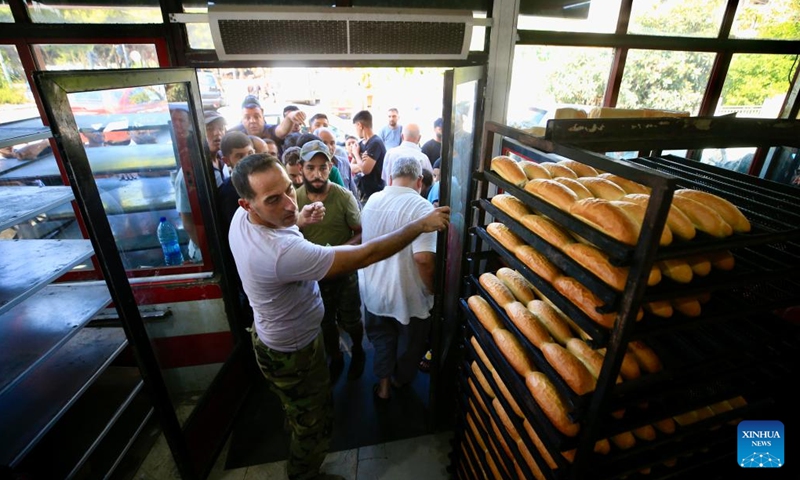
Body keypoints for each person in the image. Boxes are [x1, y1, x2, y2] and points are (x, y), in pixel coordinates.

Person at [227, 153, 449, 480]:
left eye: (290, 189)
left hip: (272, 337)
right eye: (274, 199)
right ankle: (305, 474)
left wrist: (298, 220)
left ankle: (296, 420)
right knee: (314, 424)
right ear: (247, 204)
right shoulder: (279, 254)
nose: (290, 204)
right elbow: (364, 253)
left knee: (297, 408)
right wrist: (419, 225)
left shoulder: (244, 219)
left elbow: (281, 220)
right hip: (294, 350)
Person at [359, 156, 438, 402]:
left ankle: (383, 387)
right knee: (409, 347)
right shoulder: (422, 208)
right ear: (420, 181)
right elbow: (423, 259)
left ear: (390, 177)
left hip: (374, 291)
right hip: (408, 295)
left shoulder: (372, 200)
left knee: (382, 341)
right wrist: (432, 289)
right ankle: (399, 381)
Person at [295, 140, 365, 380]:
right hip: (314, 276)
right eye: (311, 167)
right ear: (301, 167)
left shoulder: (343, 197)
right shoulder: (294, 199)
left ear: (330, 166)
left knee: (352, 319)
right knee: (325, 323)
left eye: (323, 167)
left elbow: (360, 231)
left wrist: (339, 253)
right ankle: (335, 357)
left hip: (344, 271)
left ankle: (358, 351)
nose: (317, 174)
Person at [173, 109, 227, 262]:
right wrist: (212, 252)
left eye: (221, 128)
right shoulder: (189, 174)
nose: (217, 134)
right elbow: (188, 221)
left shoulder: (224, 162)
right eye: (209, 129)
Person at [229, 95, 306, 146]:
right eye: (247, 117)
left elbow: (282, 130)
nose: (252, 121)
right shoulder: (235, 134)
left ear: (262, 114)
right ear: (242, 119)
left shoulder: (270, 130)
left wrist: (290, 116)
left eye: (256, 116)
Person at [315, 126, 359, 202]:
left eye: (332, 143)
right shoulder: (313, 168)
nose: (329, 147)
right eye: (324, 143)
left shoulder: (344, 163)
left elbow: (353, 193)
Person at [381, 123, 433, 187]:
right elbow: (430, 182)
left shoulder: (390, 154)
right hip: (415, 196)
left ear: (402, 136)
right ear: (419, 138)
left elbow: (384, 178)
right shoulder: (423, 159)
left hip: (390, 195)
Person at [352, 110, 386, 202]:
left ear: (359, 125)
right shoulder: (360, 144)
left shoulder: (375, 143)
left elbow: (366, 170)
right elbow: (351, 167)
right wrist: (361, 164)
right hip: (360, 191)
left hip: (374, 193)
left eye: (355, 127)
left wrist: (356, 154)